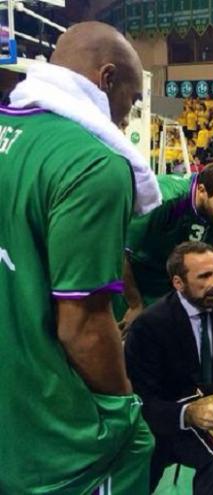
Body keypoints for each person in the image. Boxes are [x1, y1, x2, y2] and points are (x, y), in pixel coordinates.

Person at [0, 22, 157, 493]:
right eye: (129, 101)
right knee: (136, 445)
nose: (126, 120)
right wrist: (121, 407)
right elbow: (82, 326)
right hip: (46, 421)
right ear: (107, 79)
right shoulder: (94, 164)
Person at [125, 242, 213, 494]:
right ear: (178, 283)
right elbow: (141, 402)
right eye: (204, 276)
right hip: (168, 422)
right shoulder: (150, 326)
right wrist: (188, 414)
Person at [121, 163, 213, 327]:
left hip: (170, 279)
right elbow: (120, 252)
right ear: (201, 191)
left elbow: (210, 245)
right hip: (135, 277)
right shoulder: (162, 201)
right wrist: (134, 304)